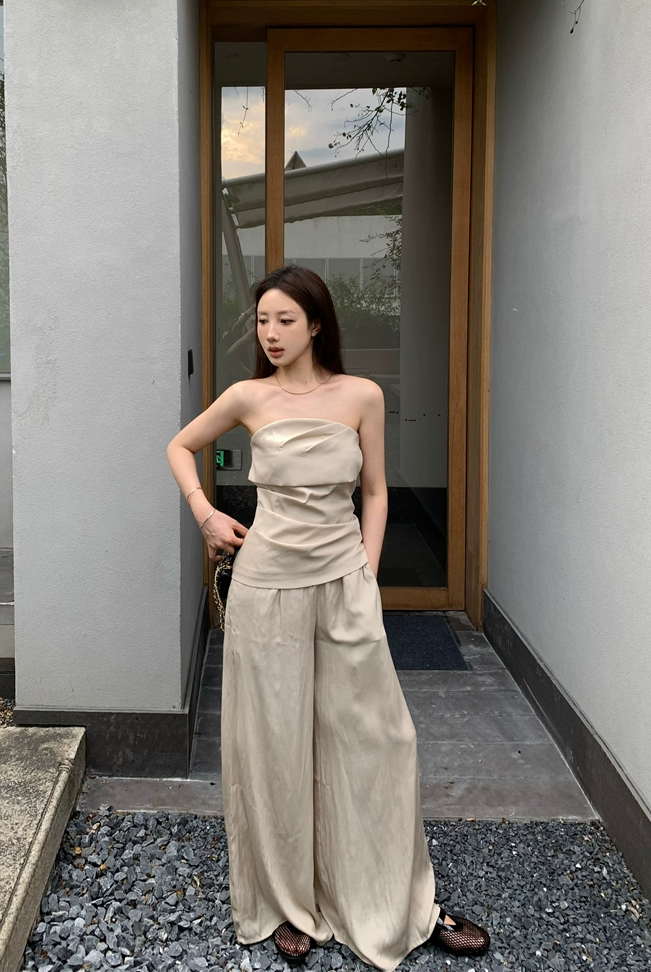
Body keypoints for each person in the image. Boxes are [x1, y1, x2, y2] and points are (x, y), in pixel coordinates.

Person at [167, 265, 490, 969]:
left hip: (344, 582)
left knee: (381, 736)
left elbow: (374, 491)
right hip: (266, 587)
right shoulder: (248, 396)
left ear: (316, 324)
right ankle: (290, 901)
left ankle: (403, 900)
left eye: (285, 319)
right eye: (262, 320)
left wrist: (366, 574)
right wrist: (205, 512)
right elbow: (179, 445)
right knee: (277, 740)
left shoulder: (362, 394)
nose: (271, 333)